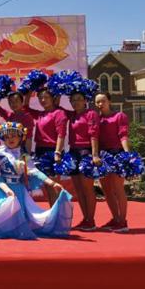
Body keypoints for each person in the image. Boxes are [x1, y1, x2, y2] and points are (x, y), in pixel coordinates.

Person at [0, 122, 73, 237]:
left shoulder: (24, 156)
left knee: (24, 214)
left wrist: (52, 183)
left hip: (19, 190)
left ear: (21, 138)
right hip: (3, 190)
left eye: (14, 136)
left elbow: (35, 172)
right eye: (7, 137)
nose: (10, 139)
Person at [63, 91, 100, 231]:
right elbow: (56, 106)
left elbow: (94, 135)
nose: (76, 102)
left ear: (85, 101)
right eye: (73, 100)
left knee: (87, 188)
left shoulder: (91, 114)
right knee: (78, 189)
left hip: (86, 152)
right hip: (73, 152)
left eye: (79, 99)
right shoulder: (71, 115)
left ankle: (91, 220)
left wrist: (94, 155)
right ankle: (86, 219)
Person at [24, 88, 68, 206]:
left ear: (53, 98)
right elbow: (25, 107)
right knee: (47, 186)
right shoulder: (40, 114)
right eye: (40, 98)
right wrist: (30, 91)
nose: (43, 100)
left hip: (52, 152)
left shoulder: (59, 113)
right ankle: (54, 212)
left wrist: (57, 152)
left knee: (54, 186)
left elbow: (61, 134)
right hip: (40, 151)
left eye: (46, 97)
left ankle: (59, 213)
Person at [95, 91, 131, 233]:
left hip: (117, 154)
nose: (100, 104)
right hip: (102, 156)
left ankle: (123, 221)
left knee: (118, 188)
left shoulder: (119, 116)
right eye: (97, 102)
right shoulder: (96, 119)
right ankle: (115, 219)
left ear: (109, 101)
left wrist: (127, 154)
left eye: (103, 101)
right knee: (106, 189)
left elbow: (123, 135)